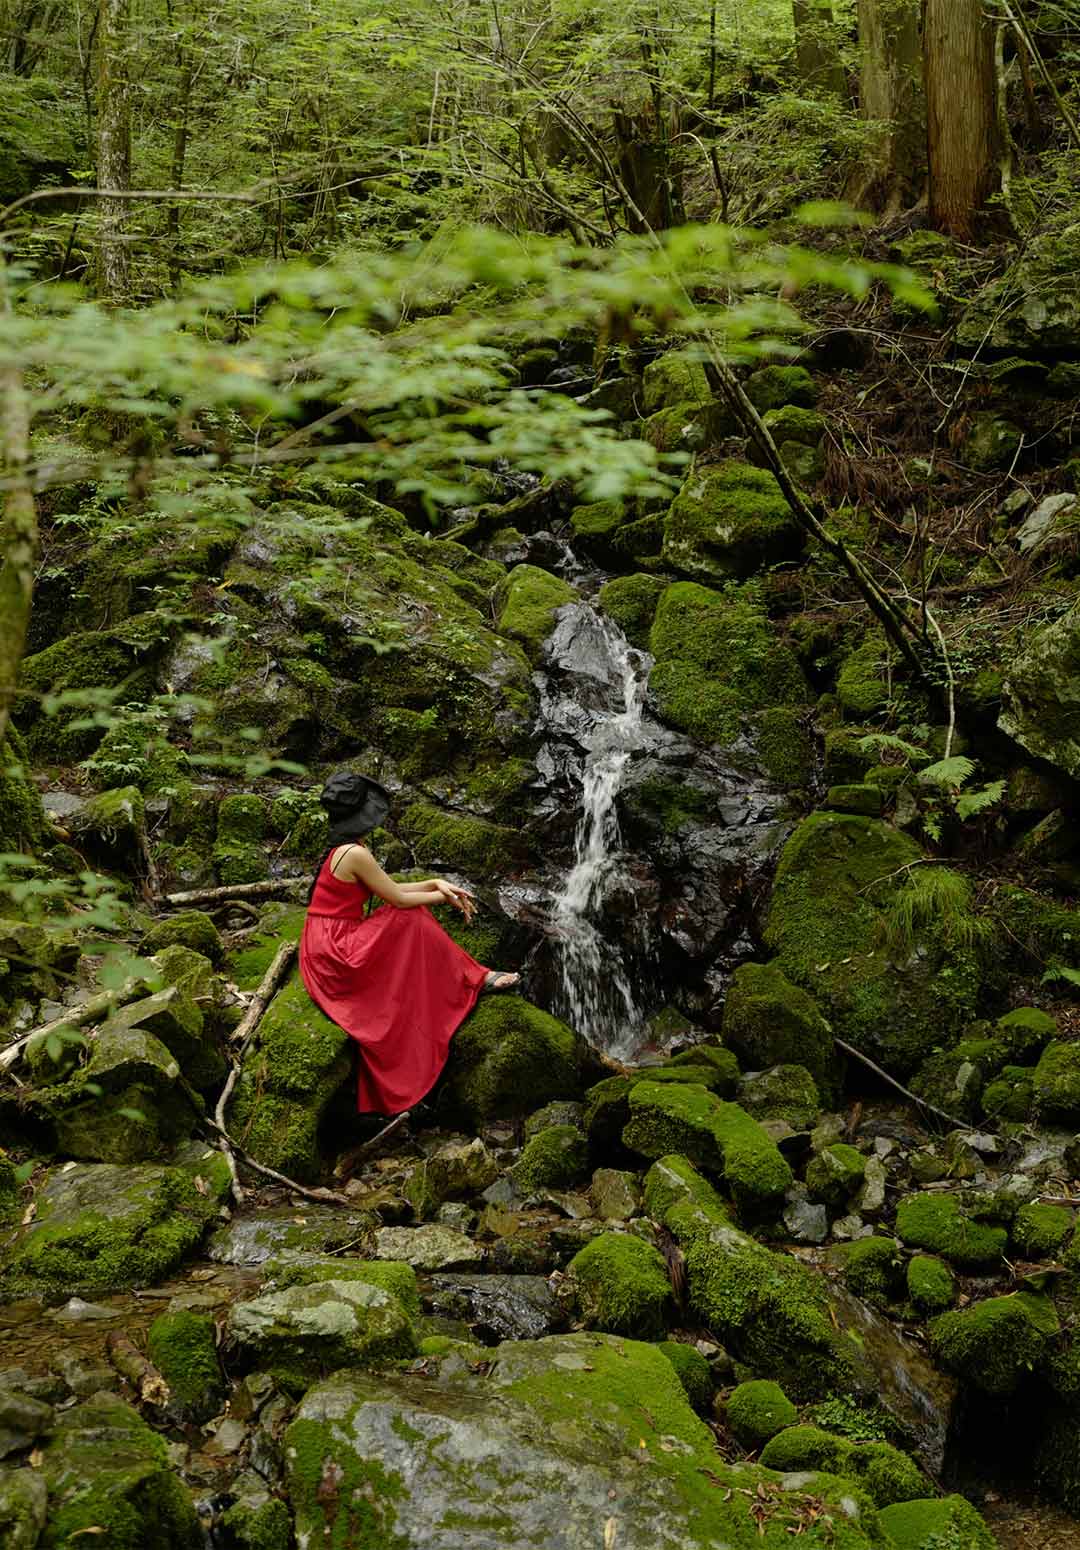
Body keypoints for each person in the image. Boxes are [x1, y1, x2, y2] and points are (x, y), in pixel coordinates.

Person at [299, 771, 520, 1117]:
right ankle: (473, 977)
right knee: (411, 916)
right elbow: (399, 899)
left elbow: (391, 890)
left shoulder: (345, 849)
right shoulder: (353, 854)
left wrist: (435, 883)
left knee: (411, 915)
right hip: (334, 949)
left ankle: (472, 976)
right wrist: (441, 896)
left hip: (326, 940)